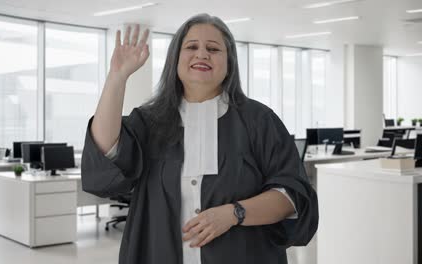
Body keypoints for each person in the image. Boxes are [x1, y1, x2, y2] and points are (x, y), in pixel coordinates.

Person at [82, 13, 318, 264]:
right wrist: (117, 77)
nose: (202, 54)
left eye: (213, 49)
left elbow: (292, 196)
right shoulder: (150, 121)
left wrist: (234, 213)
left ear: (229, 63)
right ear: (176, 59)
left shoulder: (259, 121)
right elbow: (106, 152)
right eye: (191, 47)